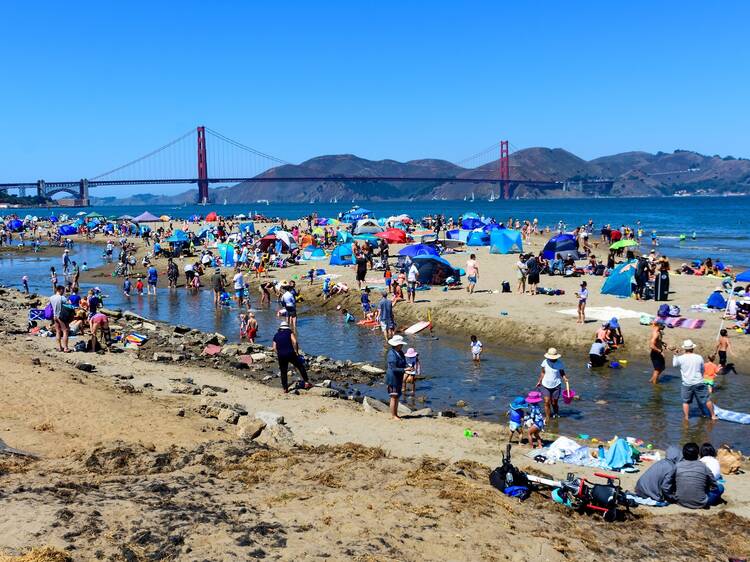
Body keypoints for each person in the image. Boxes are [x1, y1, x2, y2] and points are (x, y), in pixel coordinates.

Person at [673, 340, 717, 421]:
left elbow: (674, 365)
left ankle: (686, 418)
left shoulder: (681, 358)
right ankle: (713, 415)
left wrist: (675, 354)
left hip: (687, 383)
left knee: (685, 402)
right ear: (693, 348)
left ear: (684, 349)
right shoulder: (699, 357)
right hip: (699, 382)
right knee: (707, 399)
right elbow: (702, 369)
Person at [674, 442, 721, 509]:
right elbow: (714, 485)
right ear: (697, 455)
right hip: (700, 503)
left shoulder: (677, 466)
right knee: (721, 487)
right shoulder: (704, 467)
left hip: (680, 501)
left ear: (683, 454)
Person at [271, 322, 310, 393]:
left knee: (283, 371)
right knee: (300, 366)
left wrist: (279, 353)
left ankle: (285, 388)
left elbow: (274, 347)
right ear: (287, 327)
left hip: (281, 355)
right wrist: (296, 351)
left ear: (280, 328)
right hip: (290, 353)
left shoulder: (276, 335)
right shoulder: (289, 332)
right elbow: (295, 342)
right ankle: (306, 382)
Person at [536, 347, 569, 422]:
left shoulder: (559, 363)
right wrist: (539, 381)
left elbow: (562, 372)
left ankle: (556, 413)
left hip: (556, 385)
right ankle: (547, 417)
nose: (552, 359)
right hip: (545, 384)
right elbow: (543, 372)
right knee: (547, 401)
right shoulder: (545, 362)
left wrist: (564, 378)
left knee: (554, 402)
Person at [385, 335, 407, 420]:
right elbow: (393, 368)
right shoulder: (391, 354)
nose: (402, 346)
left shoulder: (400, 352)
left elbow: (403, 363)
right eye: (401, 344)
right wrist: (404, 369)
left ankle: (396, 414)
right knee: (394, 397)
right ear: (397, 345)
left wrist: (407, 367)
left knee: (397, 396)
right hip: (392, 378)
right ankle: (393, 415)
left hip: (398, 377)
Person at [50, 285, 70, 353]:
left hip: (54, 315)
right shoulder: (62, 298)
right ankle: (66, 348)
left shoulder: (51, 297)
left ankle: (59, 347)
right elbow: (68, 304)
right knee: (65, 331)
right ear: (60, 290)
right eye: (63, 290)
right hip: (61, 316)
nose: (63, 292)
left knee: (58, 331)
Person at [649, 320, 667, 384]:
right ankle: (655, 386)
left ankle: (652, 380)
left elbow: (657, 341)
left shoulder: (659, 332)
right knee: (657, 370)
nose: (664, 327)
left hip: (658, 353)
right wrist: (660, 351)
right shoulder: (656, 334)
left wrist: (662, 343)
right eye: (663, 325)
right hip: (655, 354)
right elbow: (651, 345)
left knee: (662, 368)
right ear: (659, 325)